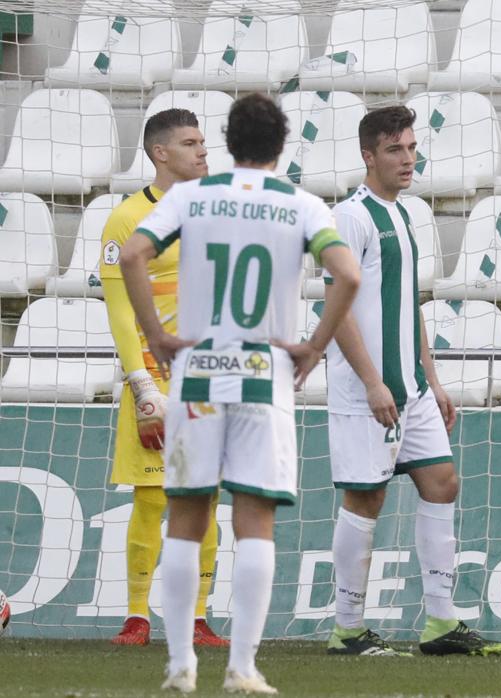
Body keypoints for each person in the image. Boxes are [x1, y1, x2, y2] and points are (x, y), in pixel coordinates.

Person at [120, 93, 361, 693]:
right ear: (282, 146)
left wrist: (157, 335)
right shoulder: (300, 204)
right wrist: (313, 345)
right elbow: (349, 275)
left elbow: (132, 255)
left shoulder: (191, 196)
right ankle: (243, 667)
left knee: (186, 516)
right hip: (264, 374)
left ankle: (179, 665)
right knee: (254, 521)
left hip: (198, 372)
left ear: (228, 142)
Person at [322, 106, 501, 658]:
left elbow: (407, 304)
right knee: (366, 498)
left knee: (443, 482)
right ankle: (347, 628)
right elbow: (340, 308)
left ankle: (441, 625)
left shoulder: (404, 214)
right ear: (368, 156)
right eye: (395, 150)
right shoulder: (350, 218)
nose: (409, 158)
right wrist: (374, 382)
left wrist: (431, 378)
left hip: (414, 390)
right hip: (365, 391)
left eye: (411, 147)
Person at [98, 108, 228, 648]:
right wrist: (142, 386)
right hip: (154, 380)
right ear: (160, 153)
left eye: (203, 142)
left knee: (205, 498)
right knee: (153, 499)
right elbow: (121, 310)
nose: (203, 151)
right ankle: (137, 615)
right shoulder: (126, 218)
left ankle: (197, 617)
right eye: (191, 143)